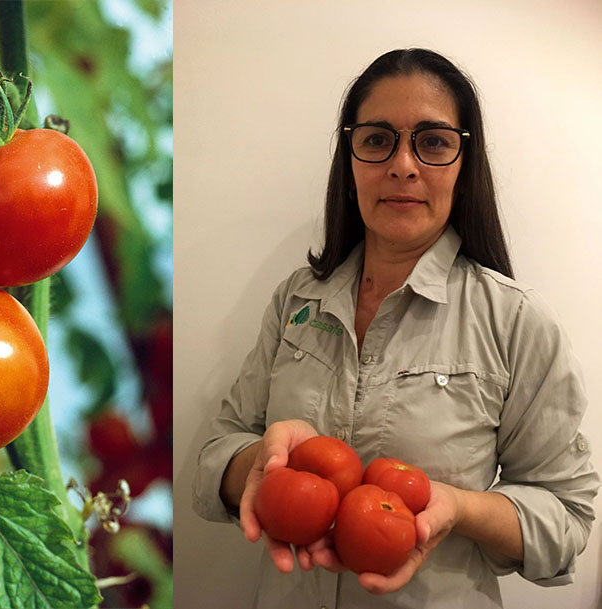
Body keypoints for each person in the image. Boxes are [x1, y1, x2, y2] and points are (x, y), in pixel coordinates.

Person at [191, 48, 600, 609]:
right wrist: (259, 467)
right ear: (351, 156)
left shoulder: (516, 320)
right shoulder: (296, 300)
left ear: (463, 162)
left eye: (432, 142)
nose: (402, 165)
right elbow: (219, 447)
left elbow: (569, 515)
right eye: (377, 139)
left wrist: (457, 508)